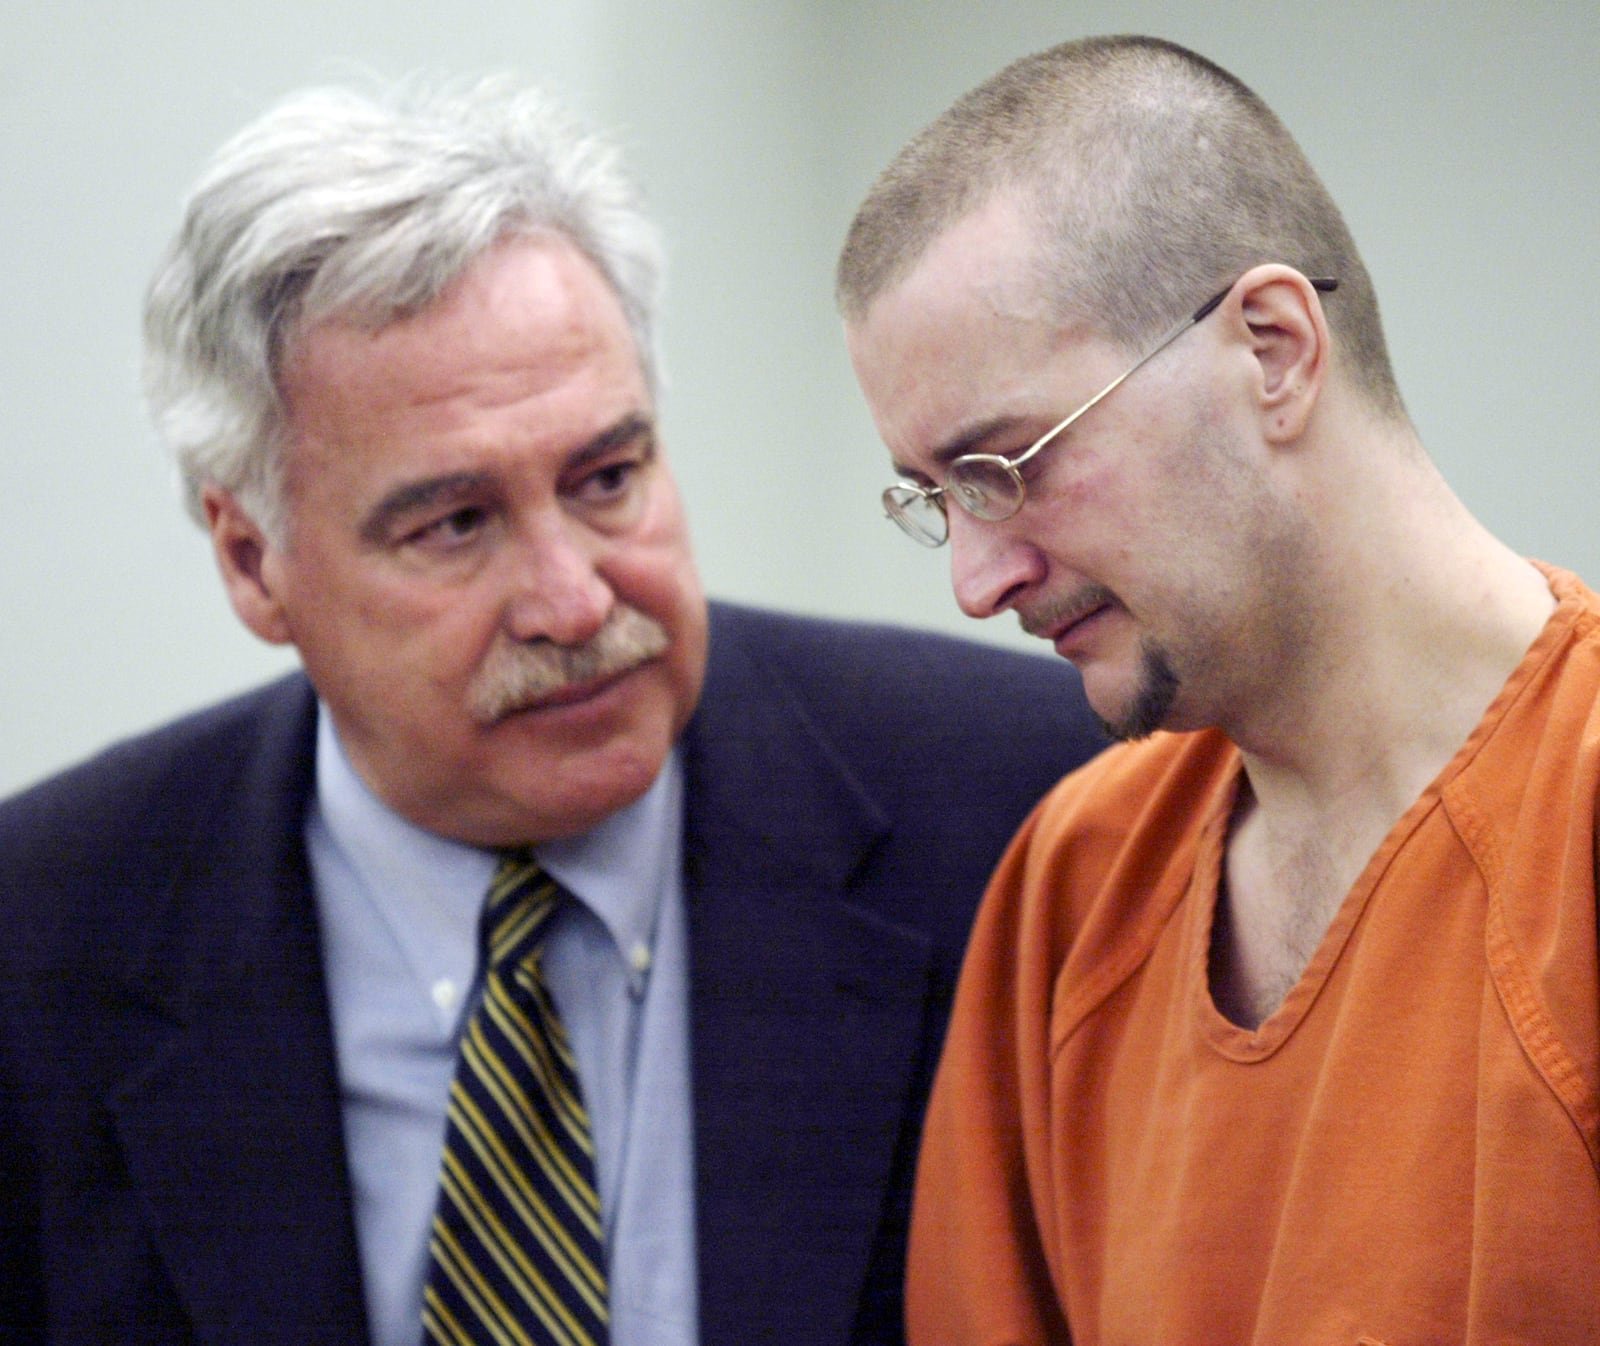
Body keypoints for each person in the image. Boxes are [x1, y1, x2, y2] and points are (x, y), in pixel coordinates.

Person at [0, 79, 1107, 1346]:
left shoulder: (1035, 814)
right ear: (253, 561)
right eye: (455, 524)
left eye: (608, 477)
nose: (575, 600)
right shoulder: (42, 946)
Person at [837, 32, 1600, 1346]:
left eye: (1008, 465)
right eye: (939, 498)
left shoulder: (1573, 821)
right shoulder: (1073, 888)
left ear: (1271, 349)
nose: (976, 578)